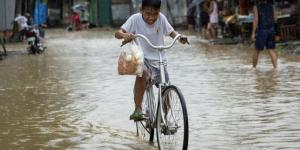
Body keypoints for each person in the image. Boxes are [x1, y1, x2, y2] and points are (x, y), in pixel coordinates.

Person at [115, 0, 189, 121]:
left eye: (155, 14)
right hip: (141, 57)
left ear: (159, 12)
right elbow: (117, 33)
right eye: (148, 13)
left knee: (166, 87)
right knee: (143, 74)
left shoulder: (162, 19)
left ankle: (164, 119)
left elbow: (172, 32)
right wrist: (125, 35)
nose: (152, 17)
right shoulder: (135, 19)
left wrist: (180, 37)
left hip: (159, 58)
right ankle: (138, 109)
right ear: (141, 10)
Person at [251, 0, 277, 68]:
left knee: (256, 50)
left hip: (262, 31)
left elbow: (256, 20)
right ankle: (275, 68)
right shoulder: (272, 6)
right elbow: (275, 18)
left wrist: (253, 32)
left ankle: (254, 69)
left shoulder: (256, 7)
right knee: (271, 50)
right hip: (271, 30)